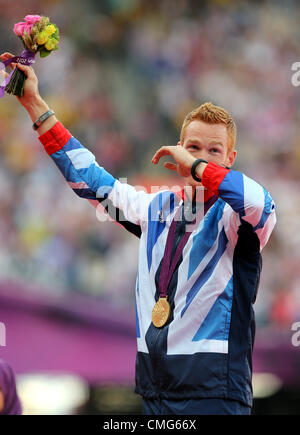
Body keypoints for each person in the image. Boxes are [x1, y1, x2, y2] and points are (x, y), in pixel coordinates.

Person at [0, 53, 276, 415]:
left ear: (230, 158)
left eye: (214, 151)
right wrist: (34, 102)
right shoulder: (156, 209)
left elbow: (260, 201)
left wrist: (195, 165)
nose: (202, 158)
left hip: (214, 395)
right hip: (155, 391)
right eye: (193, 147)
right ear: (178, 146)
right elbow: (91, 180)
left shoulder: (238, 219)